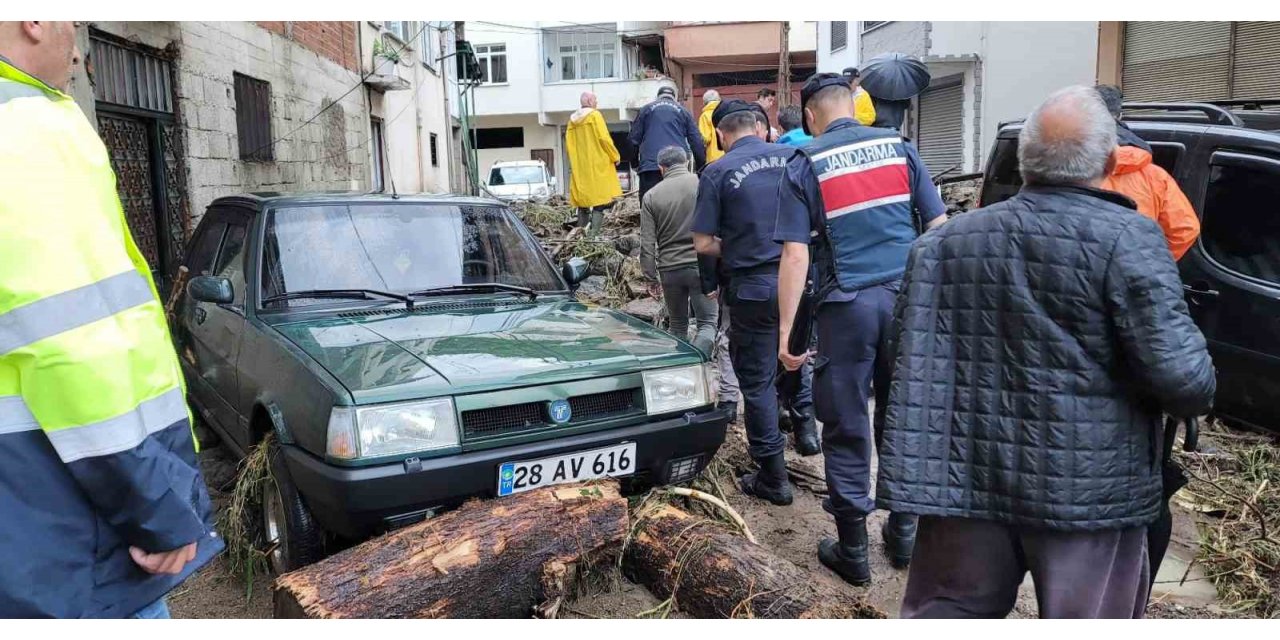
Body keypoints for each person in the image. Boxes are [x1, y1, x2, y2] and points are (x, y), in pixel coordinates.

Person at [877, 86, 1217, 619]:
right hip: (1091, 493)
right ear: (1109, 161)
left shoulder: (939, 246)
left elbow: (904, 363)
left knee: (948, 613)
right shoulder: (1130, 238)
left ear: (1021, 160)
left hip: (963, 480)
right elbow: (1187, 382)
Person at [0, 21, 222, 618]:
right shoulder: (27, 130)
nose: (77, 51)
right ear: (35, 20)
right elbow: (71, 350)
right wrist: (159, 511)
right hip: (69, 541)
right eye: (72, 20)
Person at [775, 73, 947, 586]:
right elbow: (938, 230)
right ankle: (903, 536)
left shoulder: (804, 162)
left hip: (846, 308)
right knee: (903, 415)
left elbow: (795, 253)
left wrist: (789, 335)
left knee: (846, 421)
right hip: (905, 302)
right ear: (857, 106)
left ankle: (854, 553)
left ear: (809, 116)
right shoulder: (900, 148)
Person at [693, 100, 820, 507]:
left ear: (720, 135)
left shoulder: (716, 171)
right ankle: (807, 433)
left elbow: (702, 243)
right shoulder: (796, 157)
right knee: (797, 357)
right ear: (763, 129)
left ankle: (773, 477)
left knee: (758, 383)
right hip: (800, 280)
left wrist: (739, 248)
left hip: (751, 287)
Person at [1095, 85, 1200, 260]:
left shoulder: (1069, 167)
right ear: (1120, 116)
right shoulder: (1155, 176)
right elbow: (1185, 229)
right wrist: (1151, 262)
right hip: (1133, 273)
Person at [640, 146, 717, 355]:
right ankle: (697, 360)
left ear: (661, 168)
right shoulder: (703, 184)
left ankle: (680, 368)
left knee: (677, 326)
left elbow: (646, 243)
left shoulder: (651, 196)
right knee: (708, 324)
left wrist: (650, 277)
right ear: (687, 162)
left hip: (669, 269)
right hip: (702, 266)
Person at [629, 85, 706, 205]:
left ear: (658, 97)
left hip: (651, 167)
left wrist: (635, 164)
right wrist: (701, 168)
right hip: (677, 168)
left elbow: (633, 140)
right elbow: (696, 141)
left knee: (649, 207)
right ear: (674, 98)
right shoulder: (684, 112)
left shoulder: (646, 110)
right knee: (677, 208)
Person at [566, 91, 622, 233]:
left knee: (583, 200)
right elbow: (604, 138)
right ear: (590, 101)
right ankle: (593, 235)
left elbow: (569, 144)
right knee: (600, 201)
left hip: (580, 166)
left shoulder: (571, 121)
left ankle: (580, 232)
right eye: (596, 100)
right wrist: (615, 155)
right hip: (597, 164)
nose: (597, 103)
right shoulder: (595, 116)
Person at [697, 89, 725, 164]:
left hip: (713, 157)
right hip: (728, 154)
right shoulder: (725, 111)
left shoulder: (705, 116)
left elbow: (706, 138)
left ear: (704, 102)